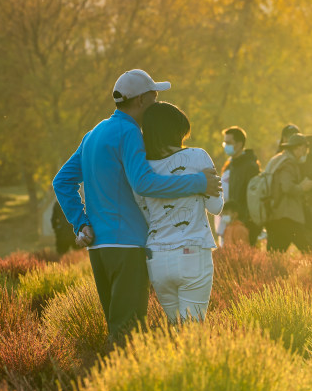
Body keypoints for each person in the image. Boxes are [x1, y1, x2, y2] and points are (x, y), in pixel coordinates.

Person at [53, 69, 221, 343]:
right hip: (127, 246)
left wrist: (81, 222)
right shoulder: (129, 132)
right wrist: (198, 183)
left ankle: (112, 379)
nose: (156, 105)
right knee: (127, 333)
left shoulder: (94, 134)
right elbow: (143, 183)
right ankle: (121, 383)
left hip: (99, 248)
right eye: (154, 97)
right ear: (141, 100)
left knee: (116, 327)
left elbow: (61, 182)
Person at [135, 102, 223, 323]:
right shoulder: (197, 156)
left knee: (175, 330)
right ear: (178, 130)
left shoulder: (142, 168)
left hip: (157, 258)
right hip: (192, 252)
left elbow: (144, 214)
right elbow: (215, 207)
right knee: (192, 333)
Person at [265, 133, 312, 252]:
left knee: (275, 253)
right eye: (304, 148)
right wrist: (303, 187)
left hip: (275, 213)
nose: (305, 152)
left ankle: (271, 270)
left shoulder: (278, 159)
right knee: (307, 250)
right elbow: (287, 187)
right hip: (288, 215)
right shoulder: (288, 164)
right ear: (298, 148)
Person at [220, 126, 261, 245]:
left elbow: (254, 196)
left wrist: (248, 219)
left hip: (246, 222)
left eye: (229, 143)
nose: (226, 146)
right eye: (224, 143)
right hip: (232, 220)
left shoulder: (250, 166)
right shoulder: (230, 166)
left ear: (239, 144)